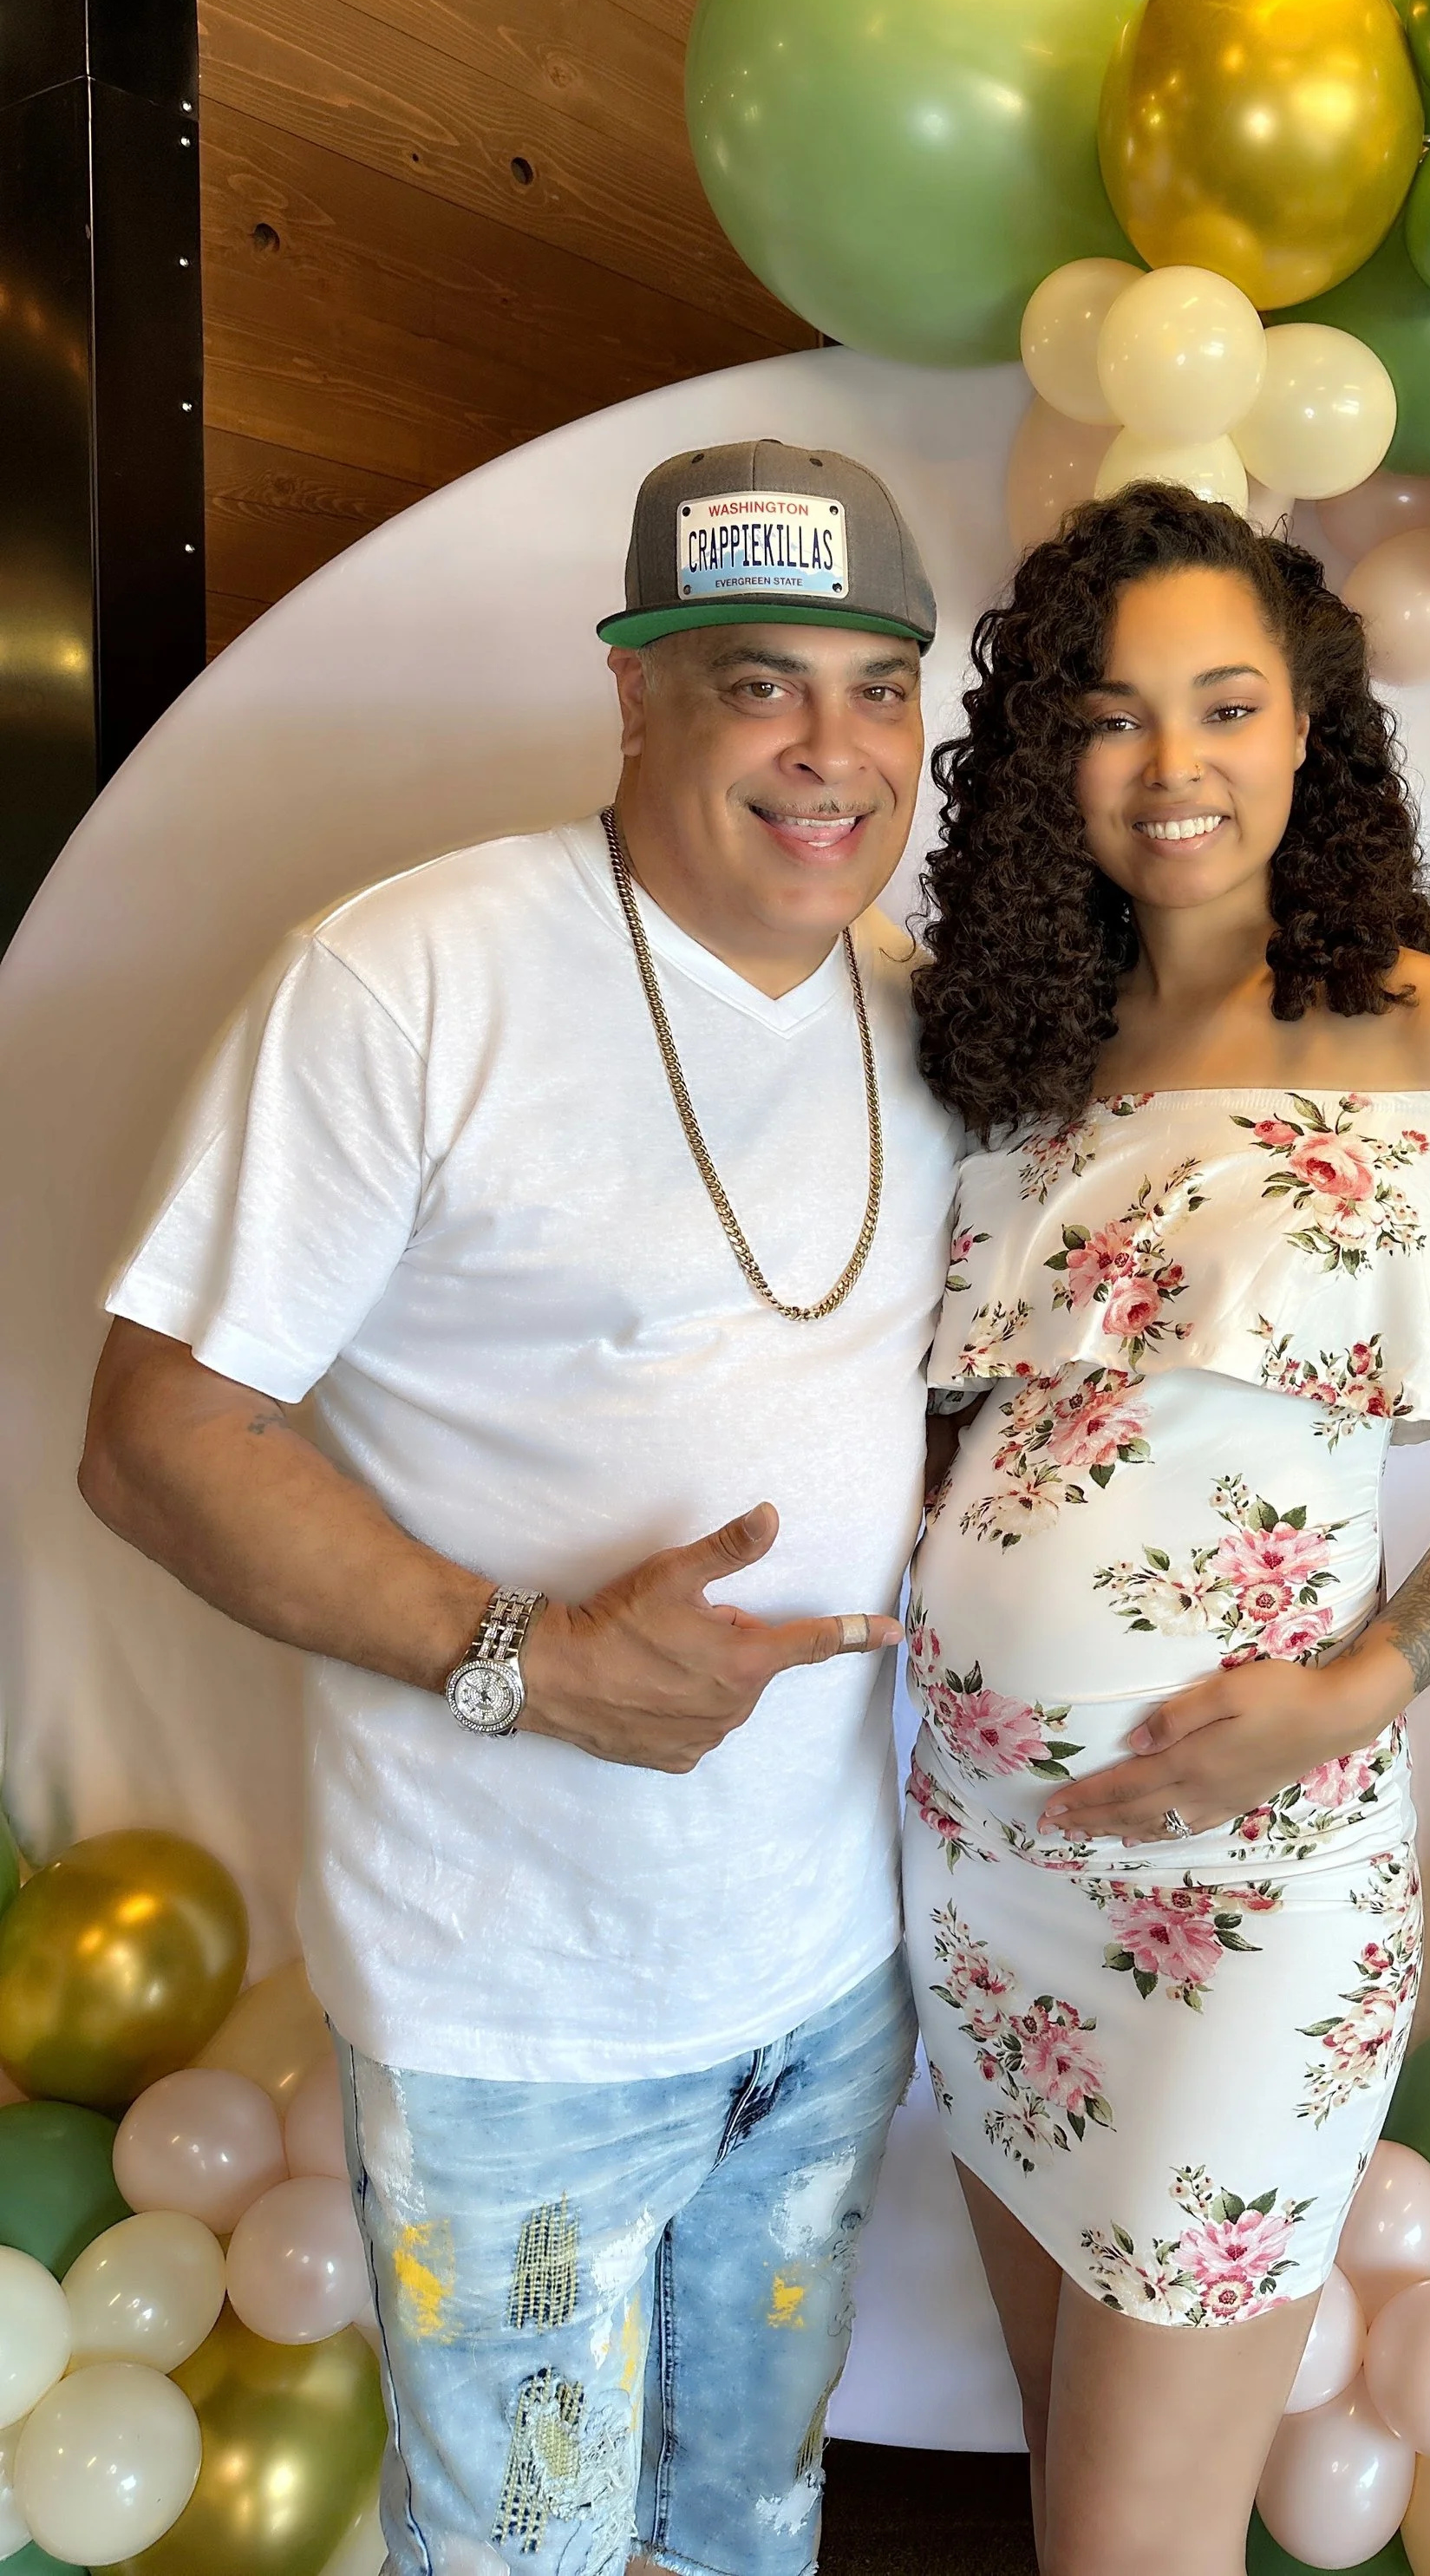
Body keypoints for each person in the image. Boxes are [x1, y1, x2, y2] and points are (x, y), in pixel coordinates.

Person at [77, 441, 962, 2576]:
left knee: (749, 2519)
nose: (830, 750)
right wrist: (535, 1658)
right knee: (524, 2552)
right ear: (635, 697)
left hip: (827, 1972)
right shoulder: (408, 979)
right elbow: (156, 1435)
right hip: (523, 2016)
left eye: (877, 686)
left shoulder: (920, 1003)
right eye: (758, 684)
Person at [904, 481, 1430, 2576]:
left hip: (1247, 1890)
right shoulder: (1012, 1050)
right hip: (978, 1872)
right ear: (1047, 755)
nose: (1173, 768)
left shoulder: (1428, 1040)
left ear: (1309, 728)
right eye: (1114, 716)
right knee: (1078, 2493)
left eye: (1224, 705)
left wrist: (1340, 1696)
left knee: (1124, 2548)